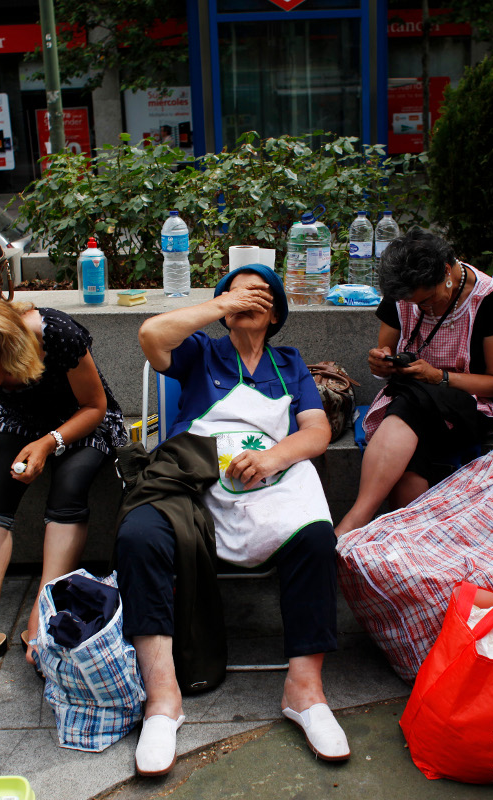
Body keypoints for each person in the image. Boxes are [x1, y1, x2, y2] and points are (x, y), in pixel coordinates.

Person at [117, 263, 349, 776]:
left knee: (315, 539)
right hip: (193, 476)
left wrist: (272, 458)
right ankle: (163, 699)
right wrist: (223, 304)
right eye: (238, 291)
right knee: (139, 535)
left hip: (268, 476)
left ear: (276, 313)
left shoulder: (290, 363)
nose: (249, 297)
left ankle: (304, 690)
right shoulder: (201, 352)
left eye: (262, 293)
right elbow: (151, 334)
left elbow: (314, 432)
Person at [0, 295, 126, 694]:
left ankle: (43, 611)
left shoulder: (56, 334)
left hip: (83, 423)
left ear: (6, 346)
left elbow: (95, 406)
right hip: (19, 422)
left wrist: (48, 443)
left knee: (69, 488)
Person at [334, 229, 493, 536]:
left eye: (428, 300)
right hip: (411, 401)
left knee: (413, 399)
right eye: (414, 304)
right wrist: (381, 363)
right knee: (410, 456)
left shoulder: (490, 299)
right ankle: (414, 544)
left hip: (469, 403)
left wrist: (441, 377)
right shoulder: (405, 292)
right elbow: (387, 354)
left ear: (447, 271)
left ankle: (356, 520)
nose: (424, 309)